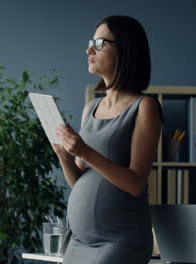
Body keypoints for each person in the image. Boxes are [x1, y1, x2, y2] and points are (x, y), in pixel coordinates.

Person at [52, 15, 163, 264]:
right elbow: (80, 182)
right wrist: (64, 155)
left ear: (125, 51)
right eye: (92, 42)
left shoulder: (144, 107)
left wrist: (84, 151)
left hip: (120, 241)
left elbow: (136, 183)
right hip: (79, 242)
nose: (89, 49)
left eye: (100, 43)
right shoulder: (91, 108)